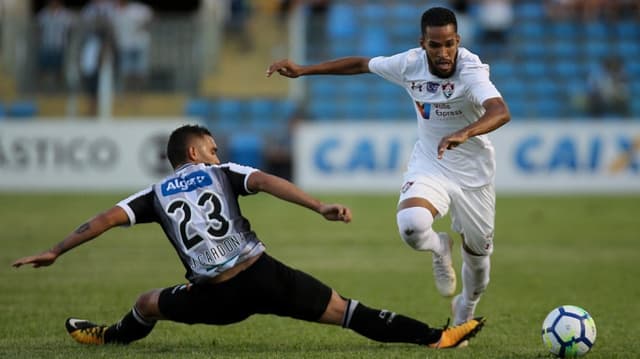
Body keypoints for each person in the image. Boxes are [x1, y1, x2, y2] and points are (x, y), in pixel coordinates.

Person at [12, 124, 484, 349]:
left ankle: (110, 339)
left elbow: (100, 222)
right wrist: (318, 205)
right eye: (213, 148)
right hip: (263, 275)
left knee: (146, 303)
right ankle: (438, 339)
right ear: (196, 151)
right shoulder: (221, 171)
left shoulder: (151, 194)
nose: (218, 153)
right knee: (347, 311)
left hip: (213, 298)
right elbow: (264, 181)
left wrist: (55, 250)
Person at [267, 6, 510, 326]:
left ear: (458, 41)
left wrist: (464, 132)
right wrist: (303, 70)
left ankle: (465, 307)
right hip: (431, 162)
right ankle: (440, 247)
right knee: (411, 225)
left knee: (478, 263)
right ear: (422, 43)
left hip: (474, 174)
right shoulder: (409, 64)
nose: (443, 52)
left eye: (449, 44)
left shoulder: (471, 70)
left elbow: (500, 111)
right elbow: (359, 64)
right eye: (435, 45)